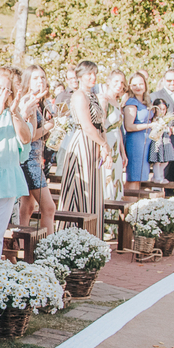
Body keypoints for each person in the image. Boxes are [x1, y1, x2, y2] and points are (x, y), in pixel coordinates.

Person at [0, 68, 33, 260]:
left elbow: (26, 138)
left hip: (8, 177)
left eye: (7, 90)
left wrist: (14, 113)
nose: (2, 93)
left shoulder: (13, 113)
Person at [59, 60, 110, 233]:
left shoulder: (93, 95)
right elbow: (87, 126)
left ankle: (93, 231)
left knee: (94, 187)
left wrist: (104, 147)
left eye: (94, 73)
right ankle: (74, 232)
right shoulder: (79, 95)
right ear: (80, 76)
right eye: (89, 74)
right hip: (83, 142)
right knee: (82, 187)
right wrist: (103, 143)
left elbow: (100, 124)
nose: (93, 77)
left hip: (95, 142)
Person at [17, 65, 57, 234]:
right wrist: (49, 126)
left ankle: (19, 246)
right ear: (27, 81)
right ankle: (49, 249)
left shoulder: (43, 102)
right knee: (49, 208)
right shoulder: (27, 101)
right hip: (28, 162)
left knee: (27, 207)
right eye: (35, 78)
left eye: (42, 77)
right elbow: (29, 136)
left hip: (36, 159)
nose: (40, 81)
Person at [150, 68, 174, 182]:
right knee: (163, 163)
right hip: (165, 136)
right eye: (169, 80)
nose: (172, 83)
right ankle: (160, 186)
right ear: (164, 80)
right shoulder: (156, 95)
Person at [100, 69, 128, 201]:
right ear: (108, 81)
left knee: (117, 179)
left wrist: (123, 152)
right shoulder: (104, 100)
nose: (119, 84)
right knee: (107, 178)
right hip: (107, 144)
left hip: (117, 145)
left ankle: (114, 216)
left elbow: (118, 130)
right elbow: (102, 127)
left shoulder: (117, 102)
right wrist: (106, 151)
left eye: (122, 82)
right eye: (116, 81)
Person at [122, 72, 153, 190]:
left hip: (145, 142)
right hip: (135, 143)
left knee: (140, 179)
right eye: (134, 85)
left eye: (141, 84)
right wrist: (150, 125)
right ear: (130, 86)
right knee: (133, 179)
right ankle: (128, 207)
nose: (138, 87)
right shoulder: (131, 102)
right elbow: (129, 126)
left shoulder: (145, 102)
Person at [148, 99, 174, 182]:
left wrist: (170, 128)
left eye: (164, 109)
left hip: (165, 141)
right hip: (157, 141)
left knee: (165, 160)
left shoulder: (166, 119)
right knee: (157, 160)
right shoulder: (154, 120)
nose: (162, 111)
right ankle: (157, 177)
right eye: (159, 109)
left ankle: (161, 175)